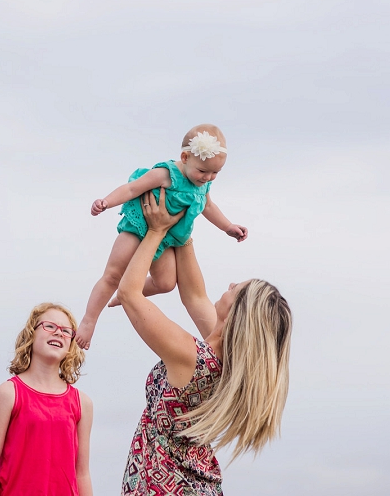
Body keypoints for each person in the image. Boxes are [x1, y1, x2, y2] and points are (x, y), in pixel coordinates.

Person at [118, 189, 291, 495]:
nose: (229, 285)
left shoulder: (191, 357)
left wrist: (157, 231)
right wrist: (185, 210)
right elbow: (194, 296)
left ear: (239, 313)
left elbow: (130, 293)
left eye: (237, 288)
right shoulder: (227, 360)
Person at [76, 123, 249, 349]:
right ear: (185, 157)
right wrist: (106, 202)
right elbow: (131, 189)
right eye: (203, 171)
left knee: (166, 283)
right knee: (112, 274)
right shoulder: (166, 174)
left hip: (165, 237)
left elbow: (208, 207)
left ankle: (127, 293)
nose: (208, 177)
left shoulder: (201, 185)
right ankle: (89, 320)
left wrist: (227, 227)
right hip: (138, 228)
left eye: (215, 173)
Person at [0, 303, 94, 496]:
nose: (58, 333)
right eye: (50, 326)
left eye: (66, 331)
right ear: (32, 333)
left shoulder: (83, 403)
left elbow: (82, 473)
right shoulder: (8, 393)